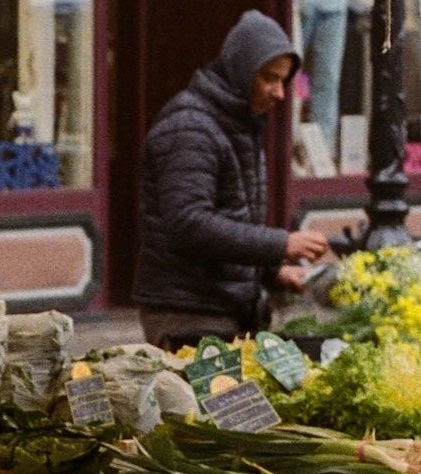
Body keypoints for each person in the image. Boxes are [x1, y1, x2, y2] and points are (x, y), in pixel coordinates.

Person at [136, 11, 332, 349]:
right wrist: (281, 245)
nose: (280, 93)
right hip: (187, 310)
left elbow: (233, 217)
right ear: (242, 72)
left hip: (223, 306)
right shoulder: (190, 127)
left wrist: (273, 272)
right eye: (270, 79)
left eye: (284, 81)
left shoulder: (240, 123)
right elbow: (188, 223)